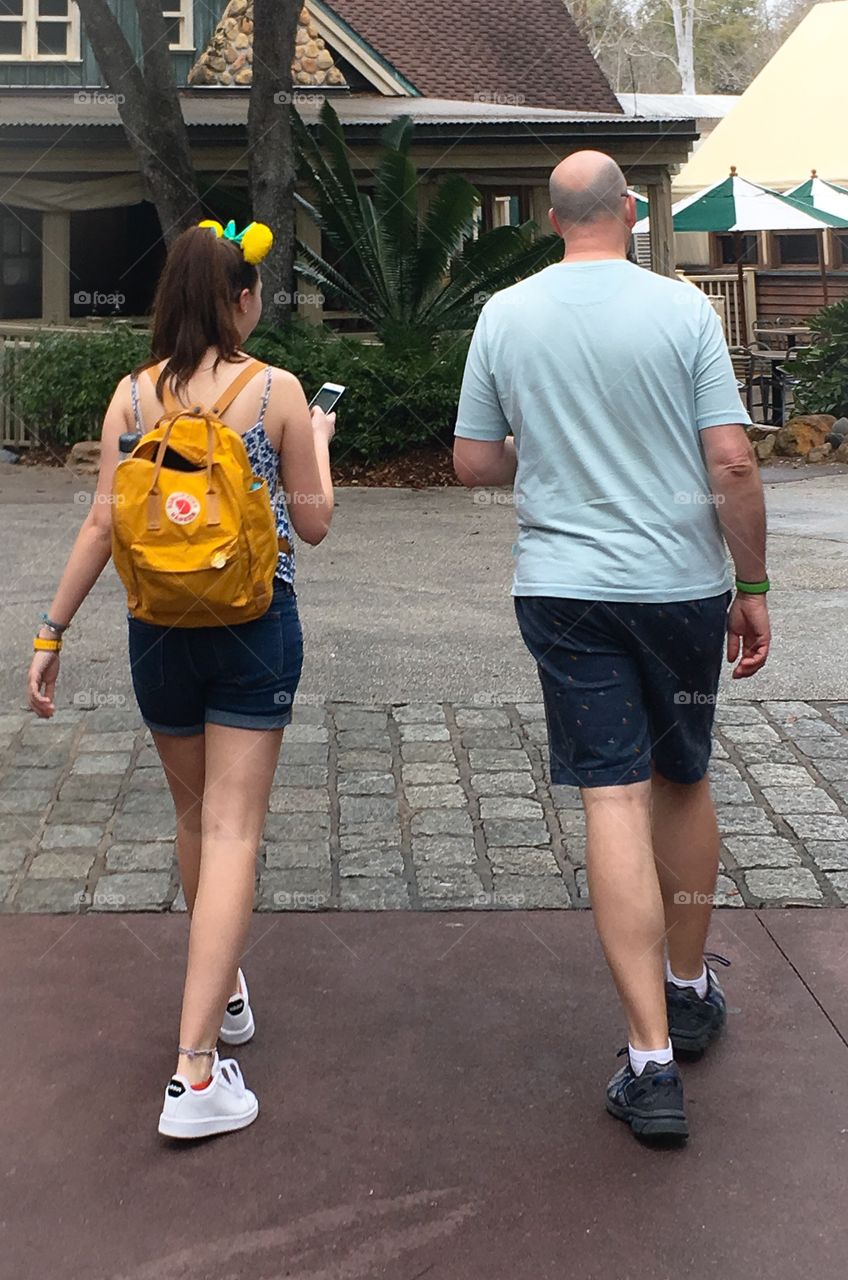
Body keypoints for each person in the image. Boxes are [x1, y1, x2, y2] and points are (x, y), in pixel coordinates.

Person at [453, 151, 770, 1144]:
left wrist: (536, 452)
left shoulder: (505, 314)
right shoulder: (682, 312)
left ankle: (648, 1059)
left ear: (551, 219)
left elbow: (471, 460)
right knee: (681, 779)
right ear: (629, 213)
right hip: (681, 590)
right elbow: (730, 456)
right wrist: (751, 585)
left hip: (565, 592)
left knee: (610, 794)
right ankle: (684, 988)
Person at [26, 222, 336, 1139]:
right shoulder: (273, 389)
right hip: (252, 626)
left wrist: (51, 632)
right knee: (236, 828)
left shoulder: (130, 395)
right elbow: (312, 526)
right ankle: (195, 1074)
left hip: (154, 631)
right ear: (243, 300)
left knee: (196, 818)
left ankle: (224, 985)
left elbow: (98, 523)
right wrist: (315, 440)